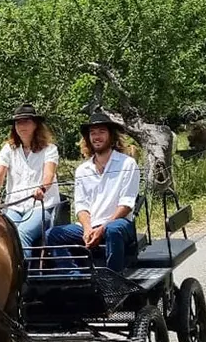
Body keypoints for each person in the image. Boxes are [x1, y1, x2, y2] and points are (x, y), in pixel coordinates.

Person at [42, 109, 140, 273]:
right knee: (52, 234)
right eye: (93, 133)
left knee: (113, 230)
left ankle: (113, 280)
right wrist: (88, 229)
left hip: (119, 224)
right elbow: (81, 206)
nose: (97, 137)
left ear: (111, 136)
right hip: (90, 225)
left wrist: (103, 227)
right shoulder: (82, 170)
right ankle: (74, 276)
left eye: (101, 132)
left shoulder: (127, 164)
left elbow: (126, 204)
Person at [0, 103, 58, 259]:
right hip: (14, 206)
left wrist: (42, 189)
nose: (22, 126)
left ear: (35, 125)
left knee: (22, 234)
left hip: (40, 207)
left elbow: (48, 175)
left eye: (26, 121)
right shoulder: (8, 149)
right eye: (18, 122)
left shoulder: (49, 149)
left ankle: (24, 280)